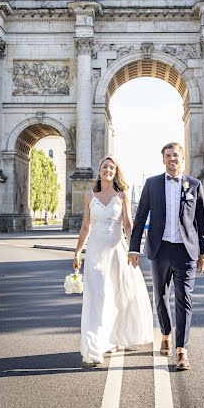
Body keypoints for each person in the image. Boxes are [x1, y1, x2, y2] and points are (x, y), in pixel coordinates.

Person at [128, 142, 204, 371]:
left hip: (186, 251)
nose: (172, 159)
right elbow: (140, 217)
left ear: (182, 158)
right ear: (163, 159)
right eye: (168, 155)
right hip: (160, 249)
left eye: (175, 155)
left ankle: (182, 350)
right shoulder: (152, 184)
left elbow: (202, 222)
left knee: (184, 300)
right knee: (162, 297)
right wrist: (134, 248)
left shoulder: (194, 184)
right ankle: (165, 333)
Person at [73, 156, 153, 365]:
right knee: (97, 297)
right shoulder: (89, 196)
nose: (108, 170)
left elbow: (128, 224)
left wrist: (133, 249)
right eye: (104, 167)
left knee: (117, 297)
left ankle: (113, 337)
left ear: (116, 172)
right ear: (99, 171)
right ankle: (94, 347)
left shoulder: (122, 196)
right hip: (95, 254)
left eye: (111, 167)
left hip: (117, 252)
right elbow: (85, 227)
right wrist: (77, 252)